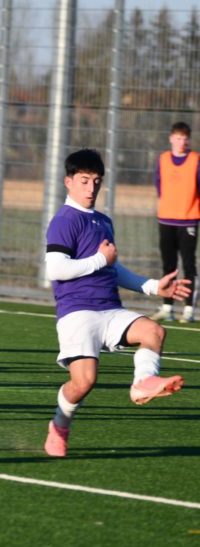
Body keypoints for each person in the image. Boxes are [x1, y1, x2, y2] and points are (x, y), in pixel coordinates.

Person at [43, 148, 186, 458]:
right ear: (68, 182)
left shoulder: (103, 221)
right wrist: (98, 259)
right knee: (84, 382)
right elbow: (56, 269)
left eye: (96, 181)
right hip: (77, 313)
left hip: (110, 309)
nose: (91, 188)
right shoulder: (64, 220)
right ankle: (59, 425)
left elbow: (112, 267)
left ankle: (142, 384)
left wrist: (152, 286)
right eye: (84, 181)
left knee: (154, 332)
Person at [150, 121, 200, 323]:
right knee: (168, 265)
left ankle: (188, 310)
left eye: (185, 139)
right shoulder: (162, 159)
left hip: (188, 220)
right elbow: (159, 185)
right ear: (171, 138)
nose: (181, 142)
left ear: (188, 140)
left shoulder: (195, 160)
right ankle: (167, 307)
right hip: (166, 219)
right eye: (178, 138)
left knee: (188, 265)